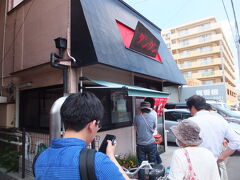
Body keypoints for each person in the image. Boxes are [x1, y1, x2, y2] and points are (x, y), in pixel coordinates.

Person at [34, 91, 129, 180]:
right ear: (92, 125)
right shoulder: (99, 162)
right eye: (98, 125)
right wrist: (111, 157)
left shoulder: (39, 158)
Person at [186, 95, 240, 179]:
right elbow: (236, 141)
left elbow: (180, 143)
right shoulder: (220, 120)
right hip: (214, 166)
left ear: (192, 107)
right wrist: (222, 156)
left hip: (195, 166)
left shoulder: (189, 122)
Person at [133, 101, 158, 180]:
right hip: (151, 143)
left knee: (141, 164)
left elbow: (135, 128)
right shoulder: (153, 117)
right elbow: (154, 128)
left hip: (140, 144)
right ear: (149, 109)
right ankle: (152, 178)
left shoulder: (136, 117)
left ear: (141, 109)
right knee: (152, 163)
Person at [144, 97, 162, 164]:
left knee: (152, 154)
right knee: (153, 151)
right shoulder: (153, 112)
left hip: (150, 136)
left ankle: (157, 166)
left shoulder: (149, 113)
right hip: (154, 135)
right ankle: (159, 162)